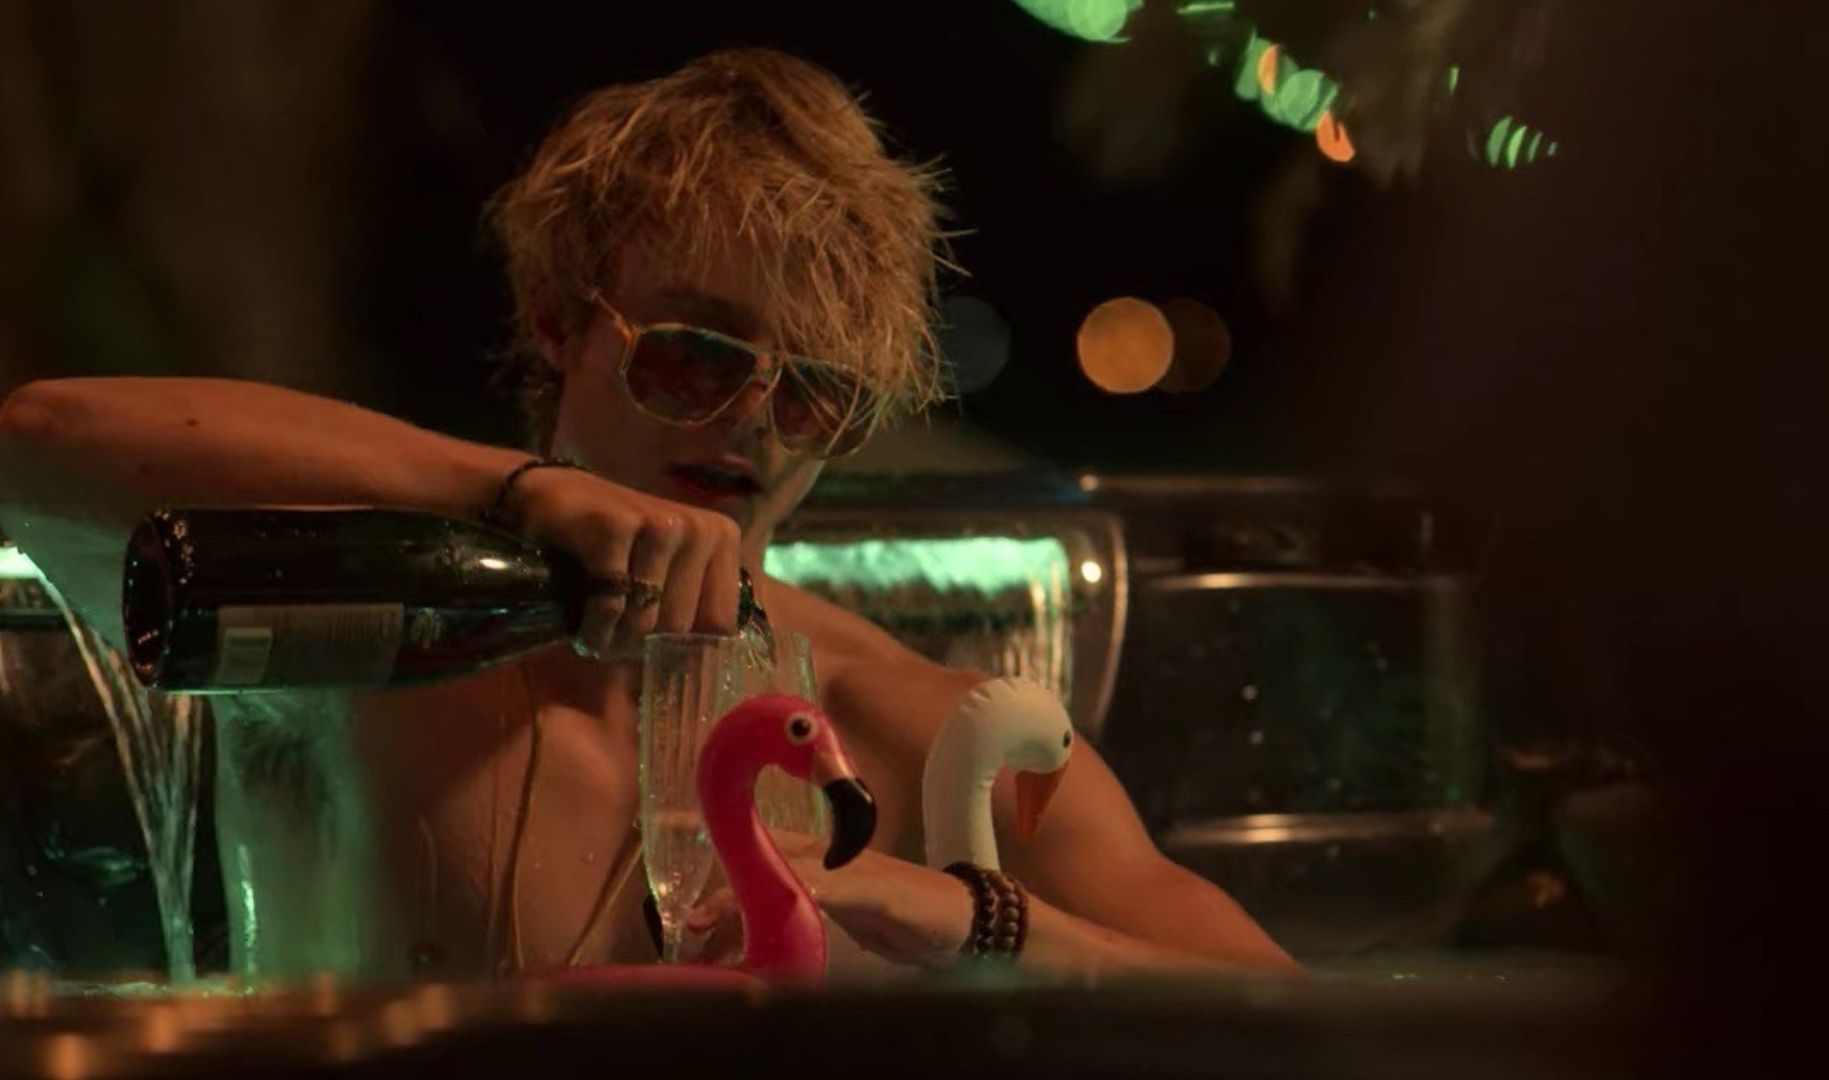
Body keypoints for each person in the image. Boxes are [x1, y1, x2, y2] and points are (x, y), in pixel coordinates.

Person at [0, 49, 1294, 980]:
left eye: (813, 400)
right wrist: (512, 495)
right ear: (560, 324)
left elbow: (1291, 1021)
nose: (745, 422)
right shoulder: (365, 632)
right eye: (694, 357)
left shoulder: (905, 723)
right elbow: (35, 445)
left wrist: (974, 919)